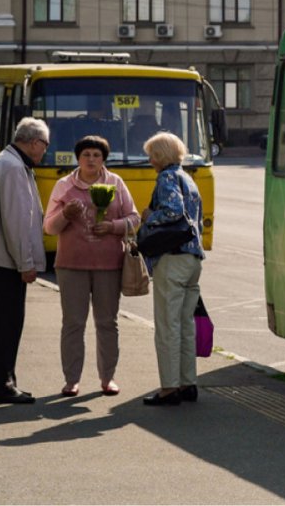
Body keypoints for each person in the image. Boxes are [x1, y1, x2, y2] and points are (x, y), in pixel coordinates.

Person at [43, 135, 139, 398]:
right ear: (78, 158)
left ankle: (108, 378)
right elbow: (49, 227)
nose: (91, 160)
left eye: (97, 155)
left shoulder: (115, 183)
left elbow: (134, 218)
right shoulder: (64, 186)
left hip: (109, 264)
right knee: (73, 323)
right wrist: (66, 214)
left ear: (103, 159)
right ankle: (71, 380)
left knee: (107, 322)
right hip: (71, 264)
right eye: (86, 154)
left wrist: (113, 227)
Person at [0, 117, 51, 405]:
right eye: (45, 145)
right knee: (9, 321)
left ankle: (5, 380)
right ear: (33, 142)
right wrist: (26, 263)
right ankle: (1, 384)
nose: (45, 151)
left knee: (7, 320)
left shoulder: (7, 161)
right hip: (8, 259)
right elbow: (18, 222)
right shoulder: (15, 167)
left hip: (1, 256)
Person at [139, 132, 206, 406]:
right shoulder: (188, 178)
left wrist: (148, 218)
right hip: (192, 259)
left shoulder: (167, 177)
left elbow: (173, 211)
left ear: (161, 155)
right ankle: (188, 382)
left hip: (173, 257)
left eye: (151, 154)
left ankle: (169, 388)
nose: (149, 159)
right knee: (185, 324)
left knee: (167, 325)